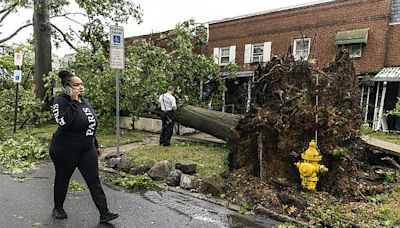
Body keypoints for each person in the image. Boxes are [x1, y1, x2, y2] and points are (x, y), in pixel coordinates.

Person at [49, 70, 119, 223]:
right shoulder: (59, 102)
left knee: (94, 180)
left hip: (86, 149)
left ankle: (104, 213)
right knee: (63, 178)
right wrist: (73, 102)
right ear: (67, 87)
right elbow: (63, 122)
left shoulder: (85, 101)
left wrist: (95, 144)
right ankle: (58, 208)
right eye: (76, 84)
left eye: (82, 84)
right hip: (64, 149)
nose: (81, 87)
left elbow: (90, 124)